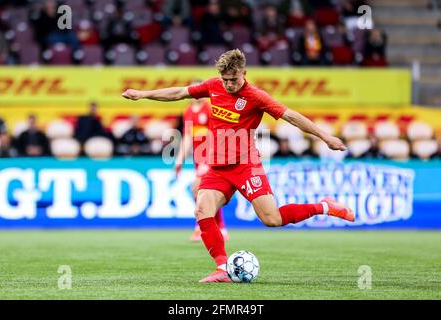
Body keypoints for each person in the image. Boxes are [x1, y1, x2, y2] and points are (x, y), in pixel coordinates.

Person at [122, 49, 354, 283]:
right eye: (225, 80)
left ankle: (325, 206)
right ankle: (222, 268)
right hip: (218, 168)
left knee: (272, 219)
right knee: (203, 209)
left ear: (244, 72)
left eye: (234, 79)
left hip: (246, 166)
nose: (229, 84)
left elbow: (290, 116)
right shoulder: (214, 85)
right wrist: (143, 94)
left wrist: (326, 137)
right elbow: (179, 92)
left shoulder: (256, 96)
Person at [175, 80, 229, 243]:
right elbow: (187, 137)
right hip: (197, 159)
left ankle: (200, 227)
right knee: (205, 193)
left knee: (197, 189)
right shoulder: (188, 111)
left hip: (210, 157)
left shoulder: (209, 109)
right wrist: (179, 160)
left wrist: (210, 158)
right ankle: (220, 227)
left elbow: (216, 134)